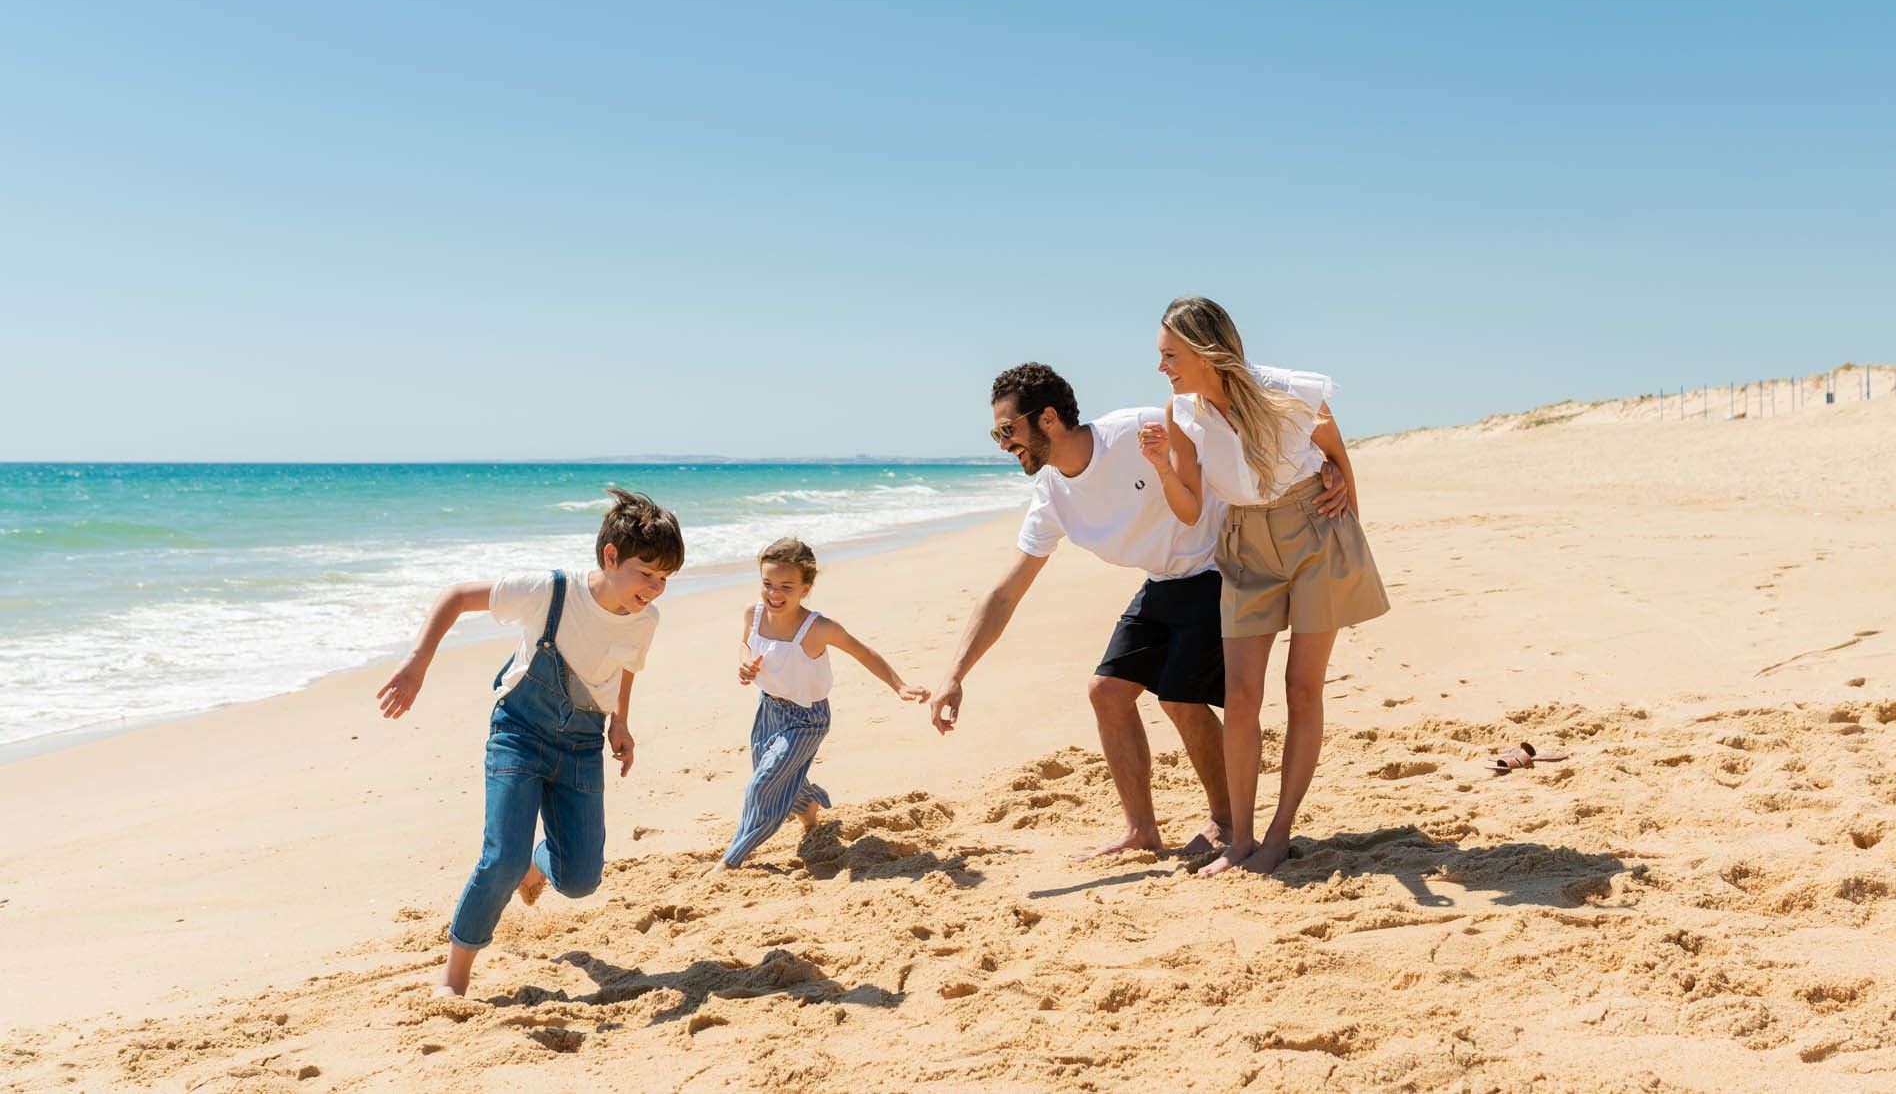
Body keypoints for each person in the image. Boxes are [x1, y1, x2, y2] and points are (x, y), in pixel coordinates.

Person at [928, 362, 1348, 858]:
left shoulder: (1136, 431)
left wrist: (1324, 464)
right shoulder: (1052, 493)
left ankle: (1227, 821)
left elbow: (1232, 435)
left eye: (1007, 429)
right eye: (995, 432)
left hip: (1220, 566)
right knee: (1107, 693)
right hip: (1164, 580)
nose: (1002, 443)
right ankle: (1141, 831)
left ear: (1047, 419)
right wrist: (955, 674)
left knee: (1179, 696)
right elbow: (1006, 593)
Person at [375, 487, 684, 996]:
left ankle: (535, 869)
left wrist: (620, 723)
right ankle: (455, 975)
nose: (652, 589)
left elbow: (625, 666)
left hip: (582, 745)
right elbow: (456, 597)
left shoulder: (645, 619)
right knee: (501, 858)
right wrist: (417, 663)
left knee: (582, 879)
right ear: (611, 556)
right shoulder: (551, 590)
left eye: (663, 580)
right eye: (645, 574)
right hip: (518, 732)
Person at [1139, 296, 1389, 877]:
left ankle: (1279, 836)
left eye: (1169, 355)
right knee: (1244, 696)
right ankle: (1241, 839)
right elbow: (1189, 506)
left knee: (1302, 690)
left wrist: (1342, 508)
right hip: (1245, 543)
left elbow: (1339, 462)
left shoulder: (1290, 391)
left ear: (1204, 351)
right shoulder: (1182, 412)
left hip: (1314, 534)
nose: (1161, 367)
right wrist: (1159, 466)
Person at [711, 537, 929, 872]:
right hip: (767, 710)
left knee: (764, 784)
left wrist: (899, 686)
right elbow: (745, 643)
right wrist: (745, 663)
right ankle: (809, 805)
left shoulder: (818, 628)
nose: (774, 594)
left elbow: (863, 652)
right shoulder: (753, 615)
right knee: (775, 775)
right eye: (767, 584)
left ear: (806, 588)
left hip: (806, 719)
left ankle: (732, 859)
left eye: (786, 586)